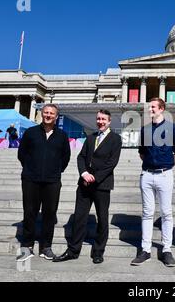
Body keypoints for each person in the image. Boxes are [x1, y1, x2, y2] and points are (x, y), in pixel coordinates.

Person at [53, 110, 122, 264]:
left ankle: (98, 252)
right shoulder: (90, 137)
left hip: (102, 184)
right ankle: (73, 250)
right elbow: (81, 157)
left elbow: (112, 162)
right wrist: (84, 173)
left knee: (102, 218)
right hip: (84, 184)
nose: (100, 121)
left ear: (109, 121)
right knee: (79, 217)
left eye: (104, 119)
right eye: (98, 119)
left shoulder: (115, 139)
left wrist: (95, 178)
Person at [130, 98, 175, 267]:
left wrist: (165, 166)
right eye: (149, 107)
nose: (150, 109)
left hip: (165, 175)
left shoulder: (172, 128)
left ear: (161, 109)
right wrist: (151, 165)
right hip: (146, 175)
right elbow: (142, 153)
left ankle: (166, 250)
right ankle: (145, 250)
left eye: (153, 107)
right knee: (147, 213)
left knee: (166, 213)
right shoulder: (144, 130)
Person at [16, 104, 71, 262]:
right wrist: (30, 168)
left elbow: (65, 157)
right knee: (29, 212)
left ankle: (46, 247)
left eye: (51, 113)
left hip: (52, 181)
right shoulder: (30, 133)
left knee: (50, 213)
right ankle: (27, 247)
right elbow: (22, 154)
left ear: (56, 116)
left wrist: (55, 170)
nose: (48, 115)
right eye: (46, 112)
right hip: (30, 180)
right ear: (41, 114)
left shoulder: (62, 135)